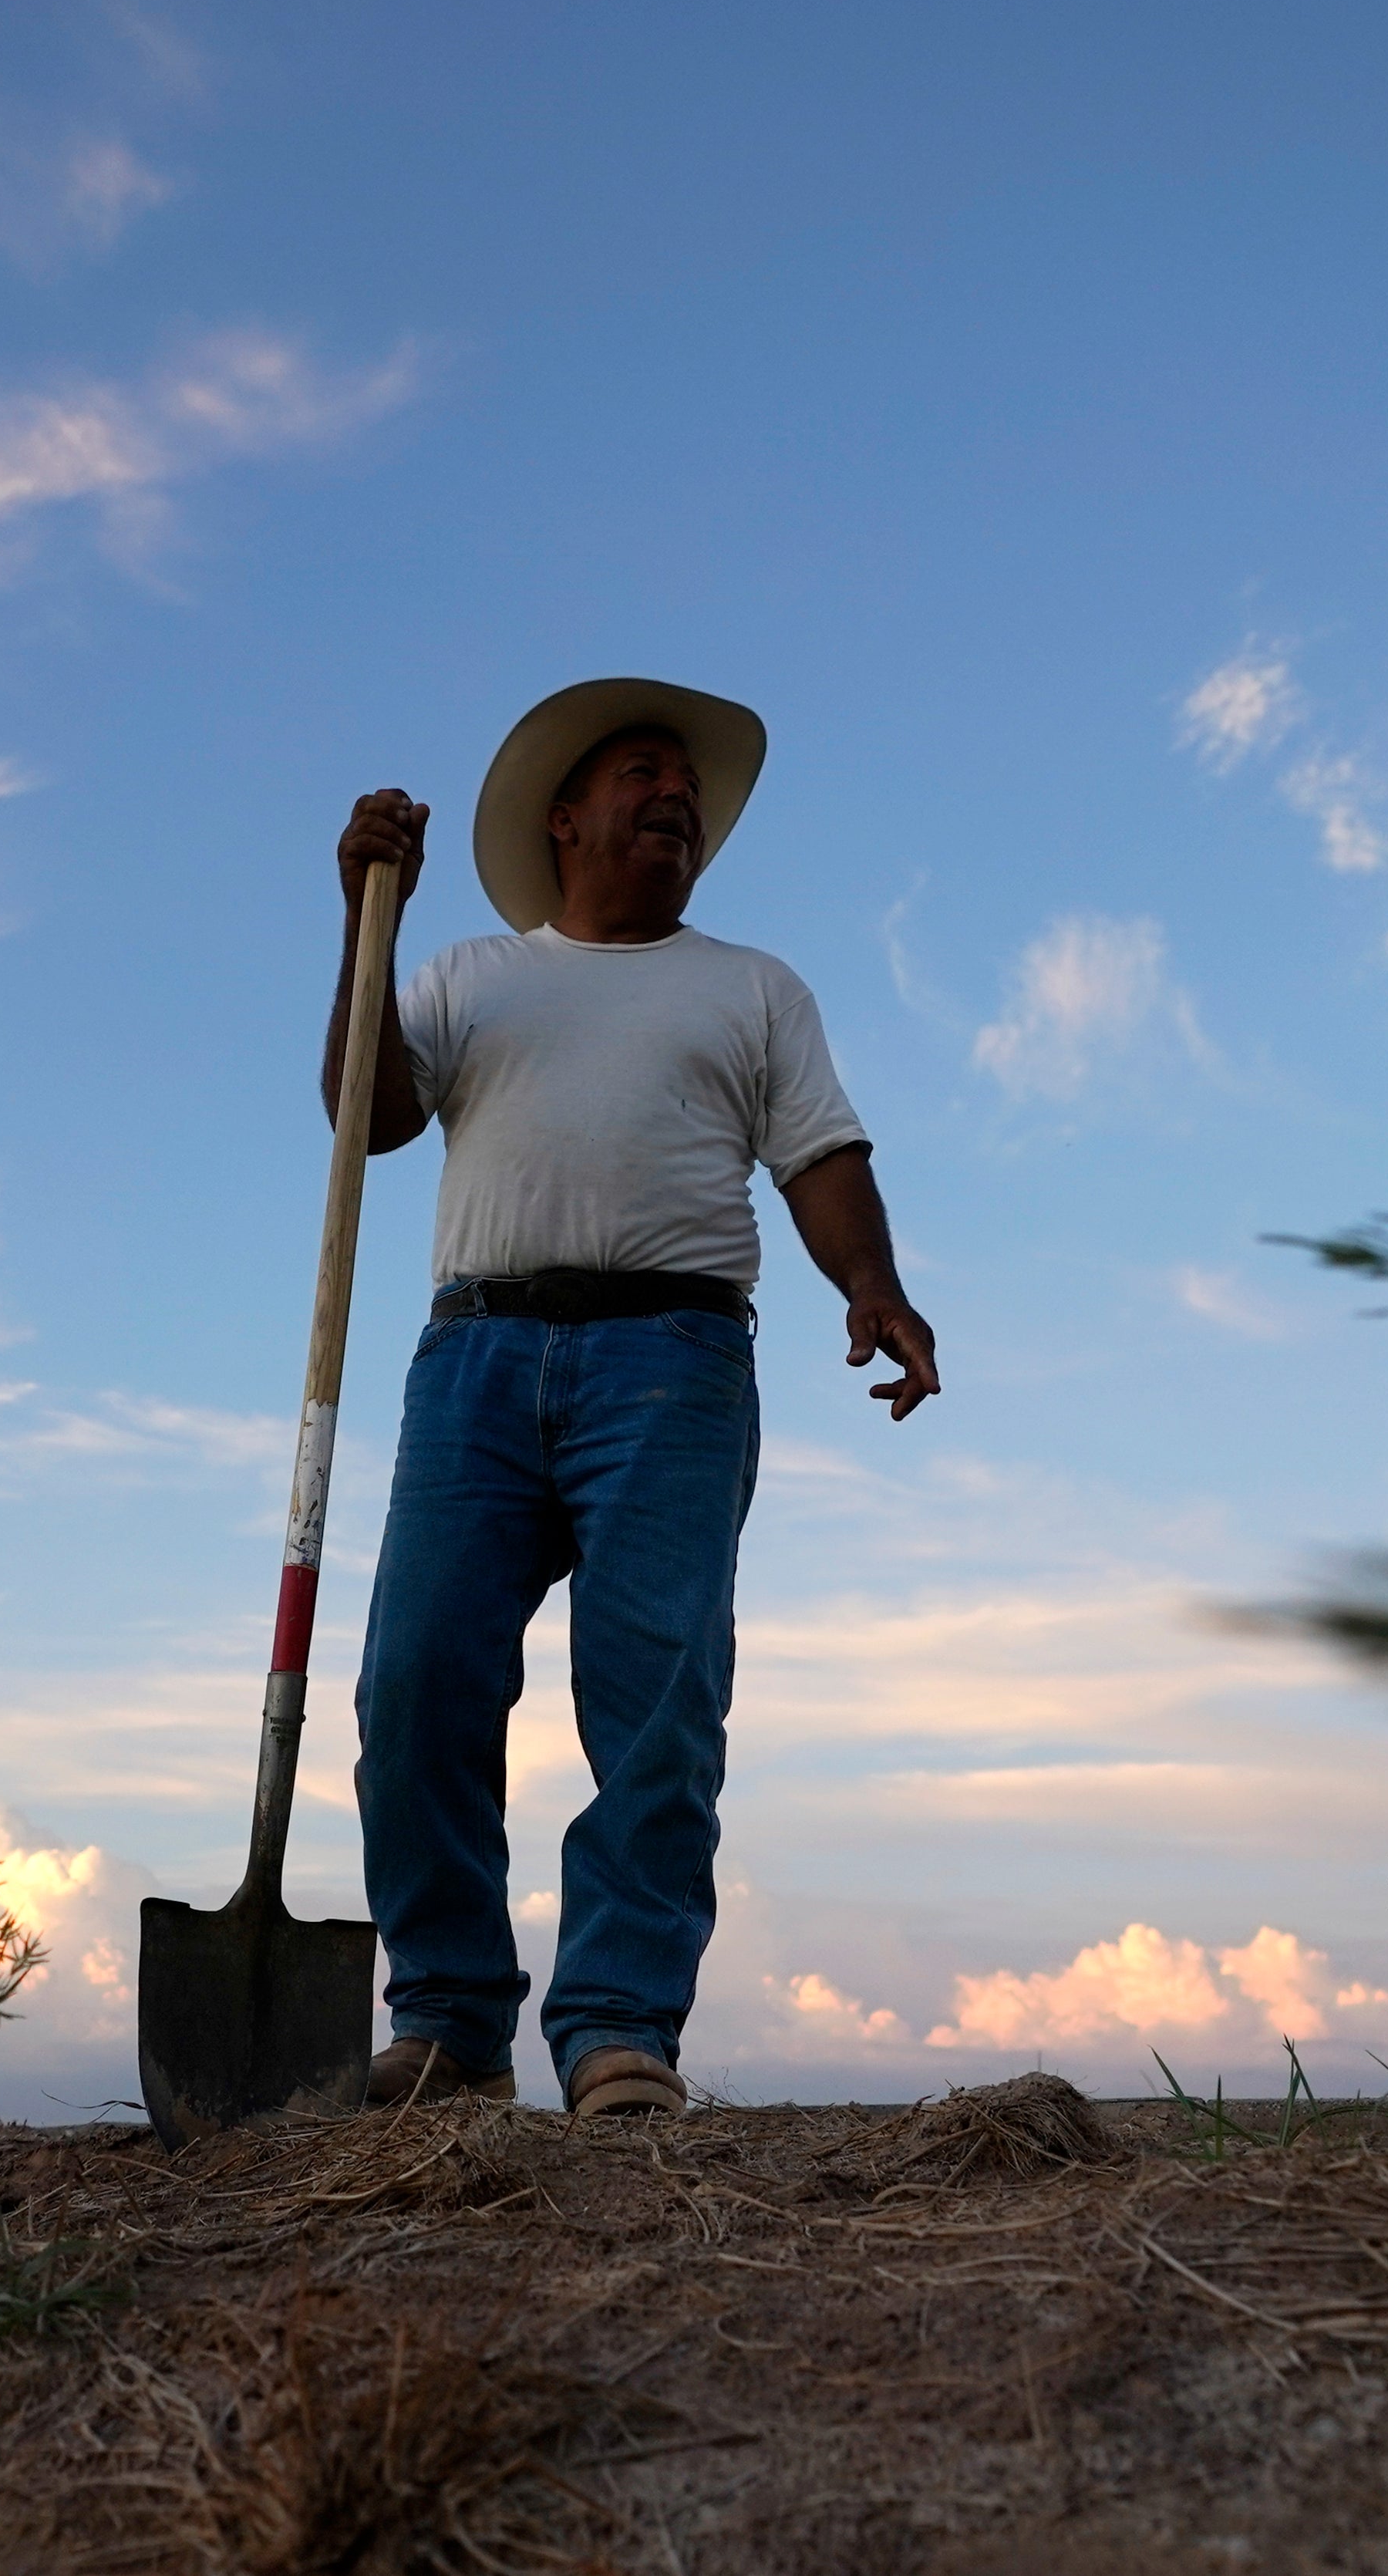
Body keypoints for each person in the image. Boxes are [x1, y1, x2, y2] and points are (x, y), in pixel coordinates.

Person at [325, 677, 938, 2119]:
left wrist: (875, 1286)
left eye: (691, 787)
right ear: (567, 817)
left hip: (673, 1361)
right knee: (416, 1682)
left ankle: (617, 2030)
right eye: (646, 773)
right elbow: (371, 1111)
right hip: (474, 1354)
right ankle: (453, 2018)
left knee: (659, 1697)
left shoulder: (753, 986)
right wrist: (371, 918)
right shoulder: (474, 975)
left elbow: (822, 1157)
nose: (679, 796)